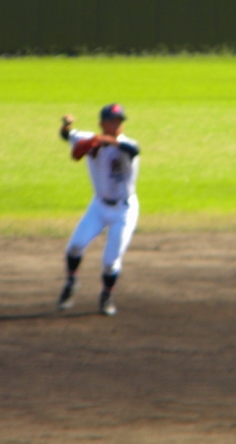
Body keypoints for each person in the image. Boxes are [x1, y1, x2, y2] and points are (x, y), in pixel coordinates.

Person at [57, 103, 140, 316]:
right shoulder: (89, 139)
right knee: (74, 247)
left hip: (124, 211)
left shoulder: (128, 144)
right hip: (99, 206)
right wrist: (66, 126)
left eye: (119, 121)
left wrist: (106, 140)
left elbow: (134, 151)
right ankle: (71, 282)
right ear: (102, 123)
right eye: (112, 121)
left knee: (110, 263)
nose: (117, 125)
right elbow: (67, 135)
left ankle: (106, 295)